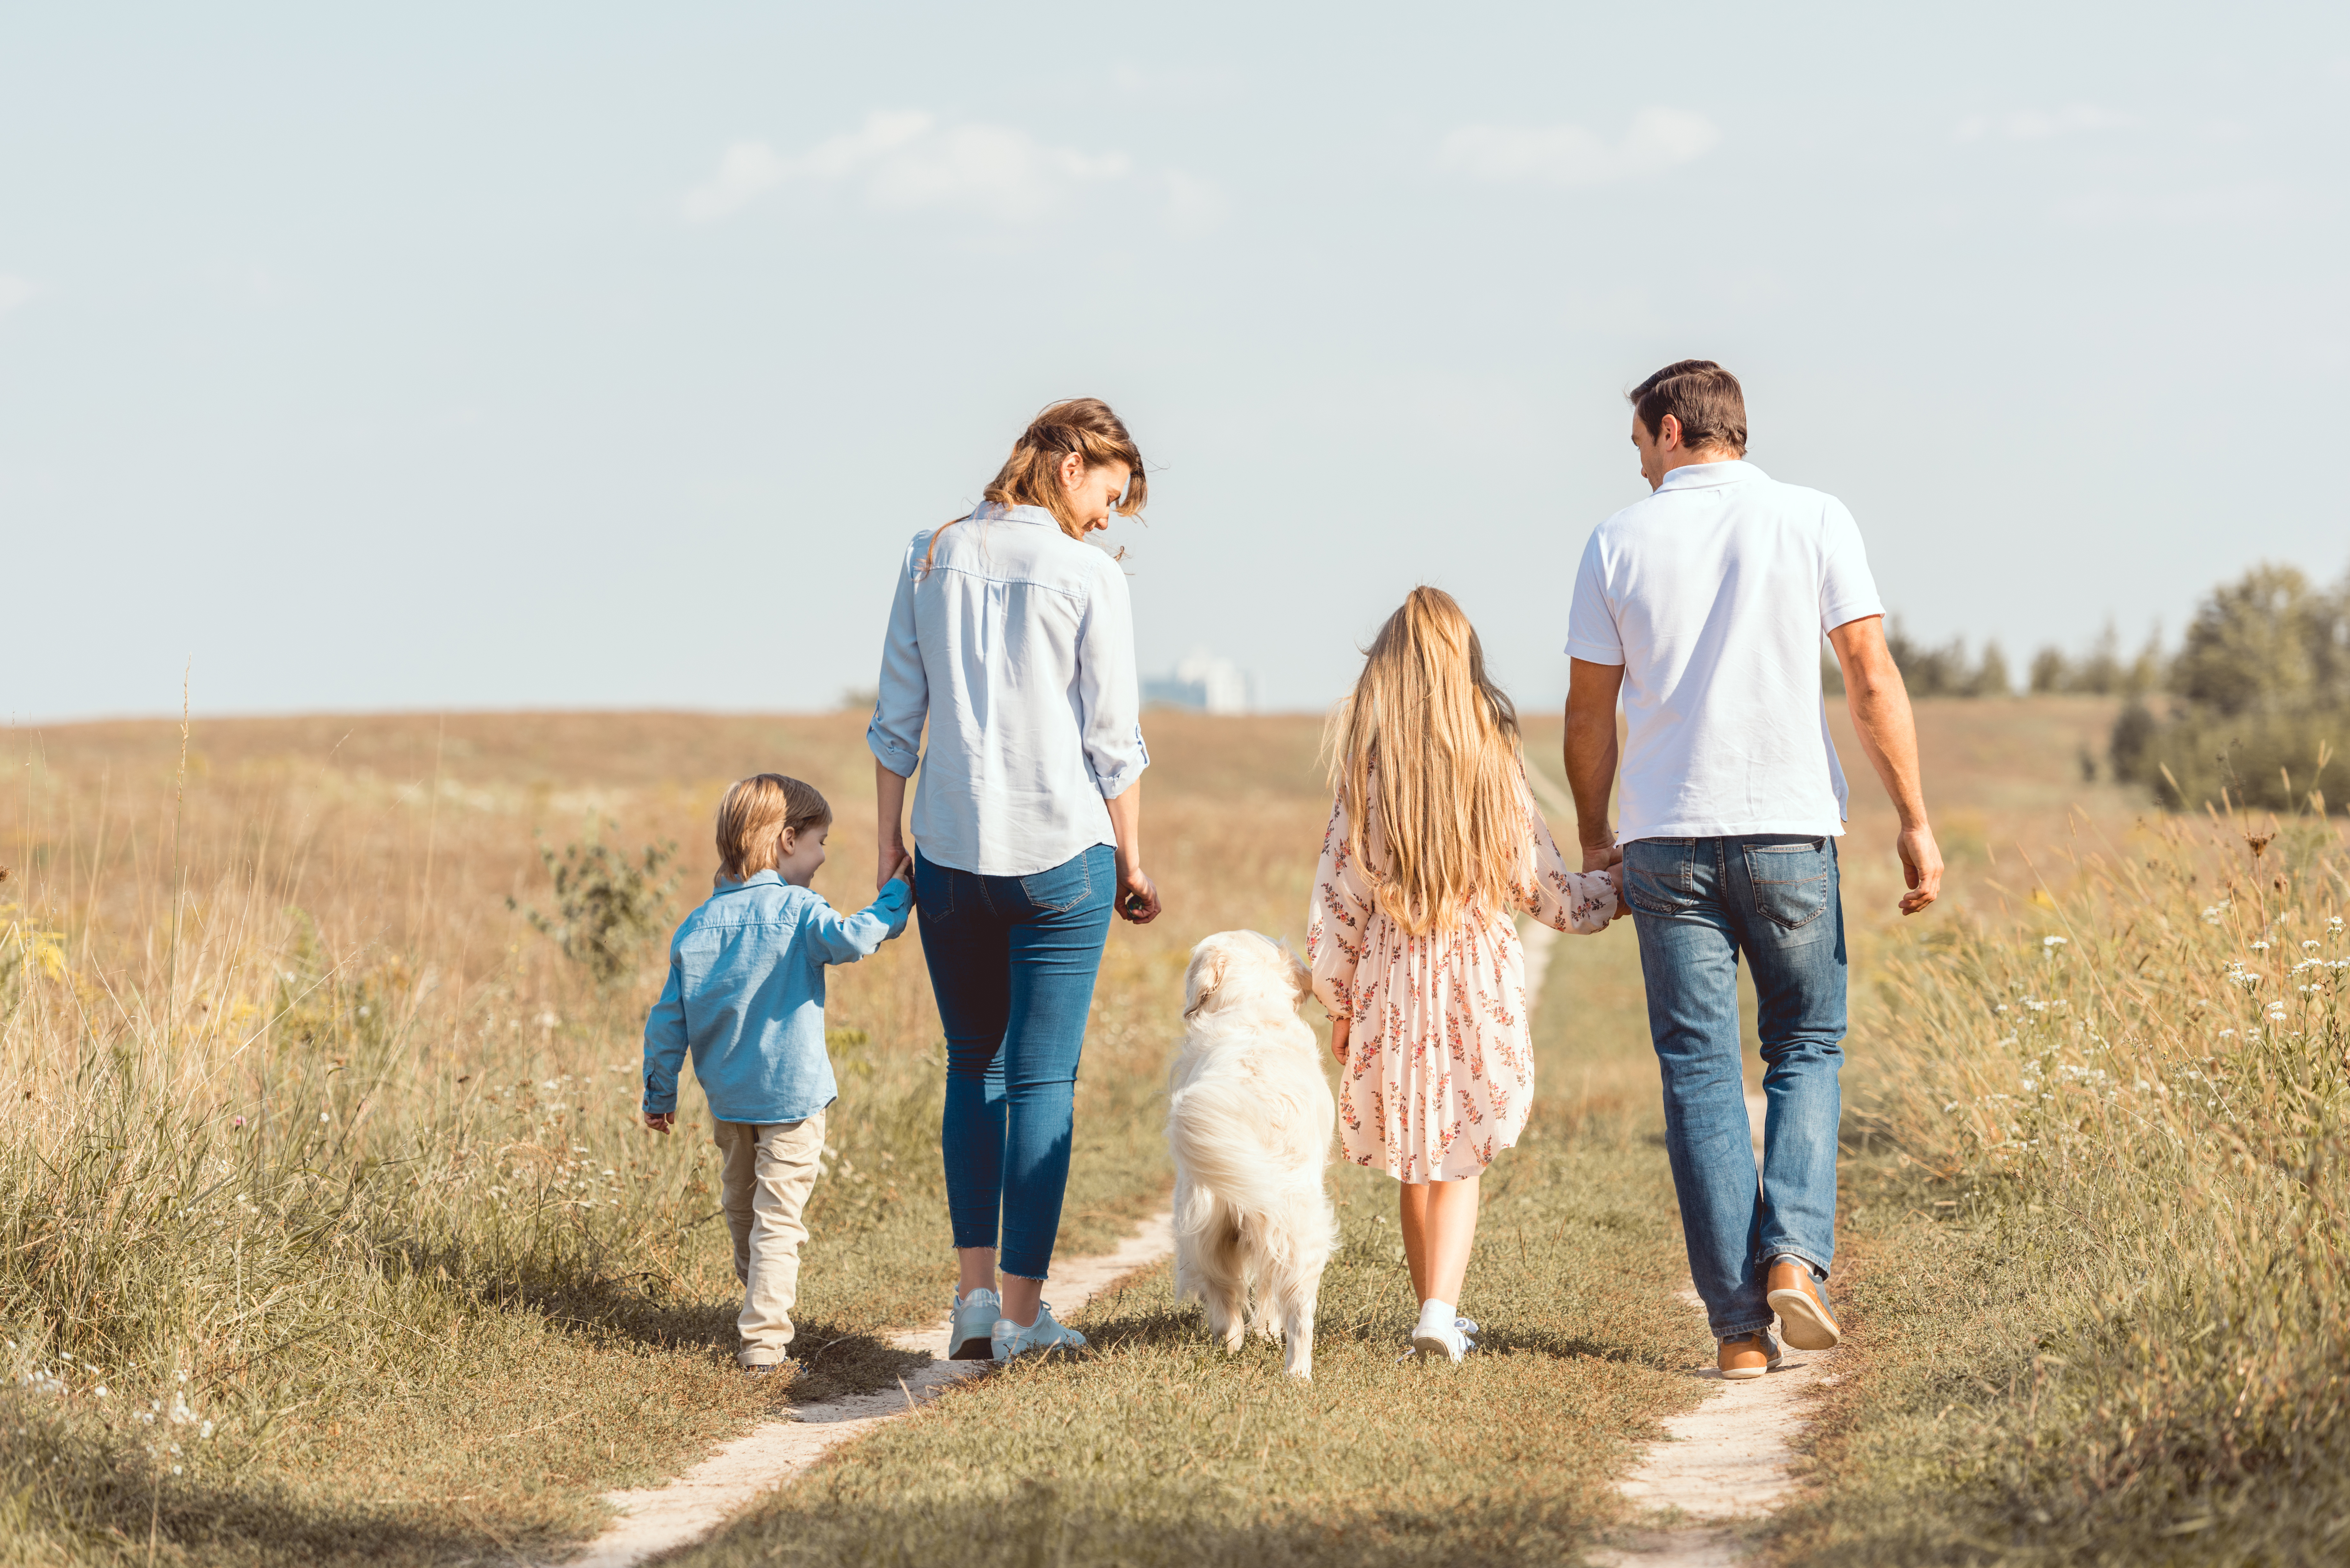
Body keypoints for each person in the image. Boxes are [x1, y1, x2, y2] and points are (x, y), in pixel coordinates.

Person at [1563, 359, 1943, 1380]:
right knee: (1807, 1046)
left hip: (1664, 838)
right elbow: (1870, 675)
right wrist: (1913, 816)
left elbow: (1591, 712)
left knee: (1697, 1073)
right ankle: (1794, 1263)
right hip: (1787, 829)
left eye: (1641, 440)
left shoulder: (1615, 540)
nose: (1637, 461)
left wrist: (1596, 834)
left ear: (1675, 429)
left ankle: (1738, 1333)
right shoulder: (1817, 518)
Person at [866, 398, 1163, 1363]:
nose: (1107, 521)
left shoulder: (930, 550)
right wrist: (1133, 859)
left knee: (972, 1066)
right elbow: (1111, 741)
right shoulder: (1086, 577)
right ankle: (1028, 1316)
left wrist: (887, 849)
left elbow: (894, 719)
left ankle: (973, 1302)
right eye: (1109, 496)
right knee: (1041, 1078)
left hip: (948, 853)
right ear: (1071, 464)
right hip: (1061, 855)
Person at [1308, 587, 1621, 1363]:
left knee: (1415, 1149)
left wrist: (1339, 1002)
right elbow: (1545, 889)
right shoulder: (1493, 763)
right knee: (1460, 1151)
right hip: (1472, 976)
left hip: (1389, 973)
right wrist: (1617, 886)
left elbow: (1338, 896)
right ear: (1464, 668)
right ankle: (1438, 1313)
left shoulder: (1365, 771)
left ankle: (1432, 1309)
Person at [640, 773, 913, 1375]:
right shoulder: (798, 910)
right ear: (787, 840)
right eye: (820, 843)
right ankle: (764, 1323)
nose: (821, 858)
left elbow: (666, 1023)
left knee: (747, 1212)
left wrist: (659, 1091)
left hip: (730, 1101)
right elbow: (853, 938)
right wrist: (898, 898)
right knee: (770, 1219)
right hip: (792, 1099)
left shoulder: (698, 925)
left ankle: (762, 1326)